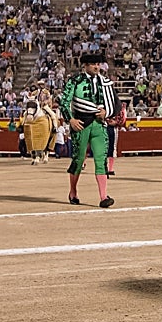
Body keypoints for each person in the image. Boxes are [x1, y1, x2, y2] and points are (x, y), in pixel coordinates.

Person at [60, 52, 117, 208]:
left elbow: (114, 103)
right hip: (80, 124)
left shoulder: (104, 82)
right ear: (85, 65)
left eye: (98, 64)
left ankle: (104, 196)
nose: (97, 66)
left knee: (101, 160)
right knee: (78, 160)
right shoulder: (75, 81)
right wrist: (70, 120)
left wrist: (107, 113)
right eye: (93, 64)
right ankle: (73, 191)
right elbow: (64, 102)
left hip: (99, 125)